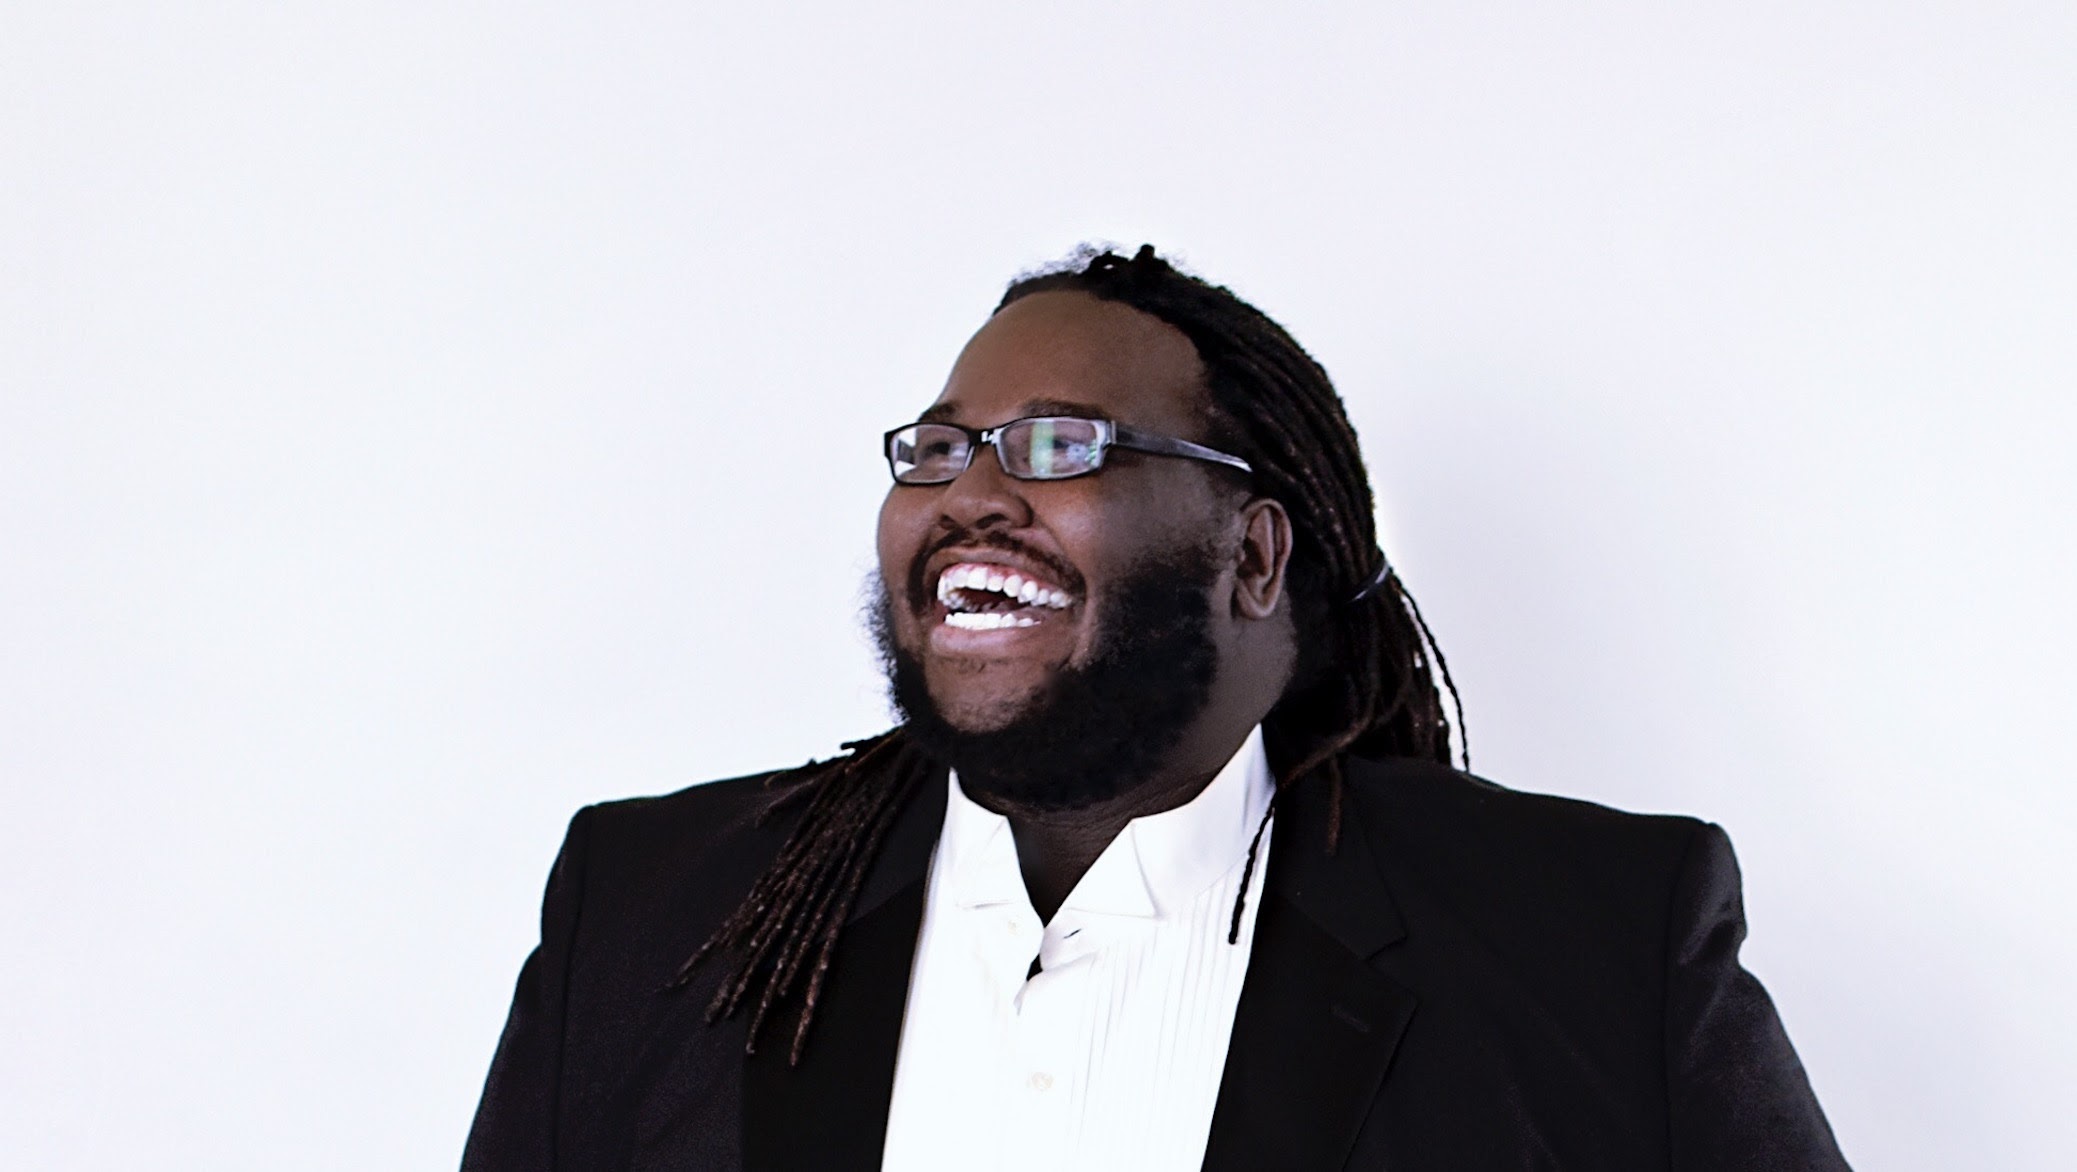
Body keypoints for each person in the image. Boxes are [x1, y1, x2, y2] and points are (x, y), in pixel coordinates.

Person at [461, 246, 1849, 1170]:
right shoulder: (653, 914)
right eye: (938, 448)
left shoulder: (1591, 941)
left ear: (1253, 558)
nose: (969, 495)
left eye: (1061, 445)